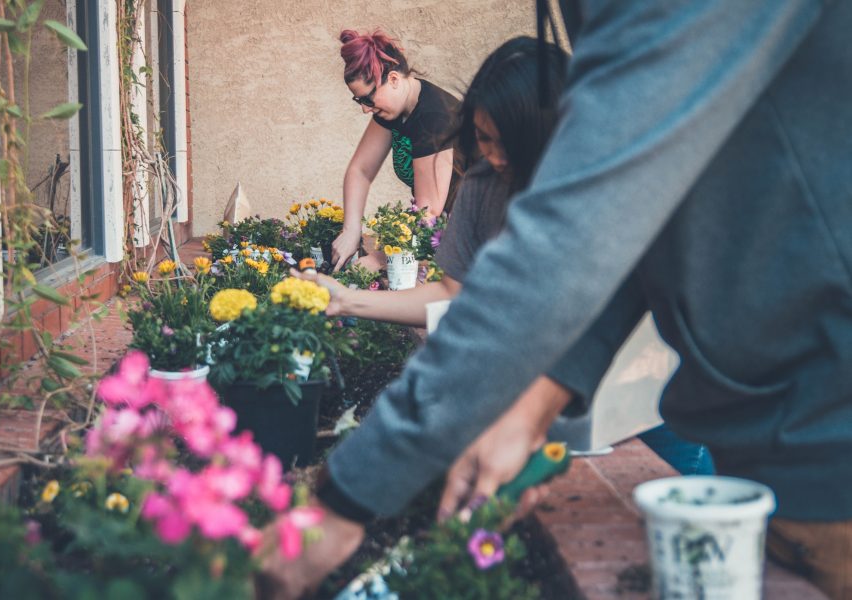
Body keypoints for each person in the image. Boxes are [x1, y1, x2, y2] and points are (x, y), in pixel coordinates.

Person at [259, 1, 852, 599]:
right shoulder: (497, 166)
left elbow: (577, 238)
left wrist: (349, 496)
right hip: (767, 432)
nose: (492, 160)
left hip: (819, 431)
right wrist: (530, 410)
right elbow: (615, 244)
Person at [307, 36, 714, 477]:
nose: (495, 158)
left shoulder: (610, 184)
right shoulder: (482, 185)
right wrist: (347, 300)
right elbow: (452, 294)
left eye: (509, 143)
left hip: (653, 394)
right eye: (484, 139)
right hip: (561, 404)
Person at [330, 29, 460, 272]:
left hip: (480, 232)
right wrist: (351, 230)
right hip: (443, 234)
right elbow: (361, 170)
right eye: (359, 101)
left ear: (393, 79)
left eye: (367, 99)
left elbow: (428, 214)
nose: (365, 109)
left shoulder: (433, 118)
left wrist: (380, 259)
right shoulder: (393, 109)